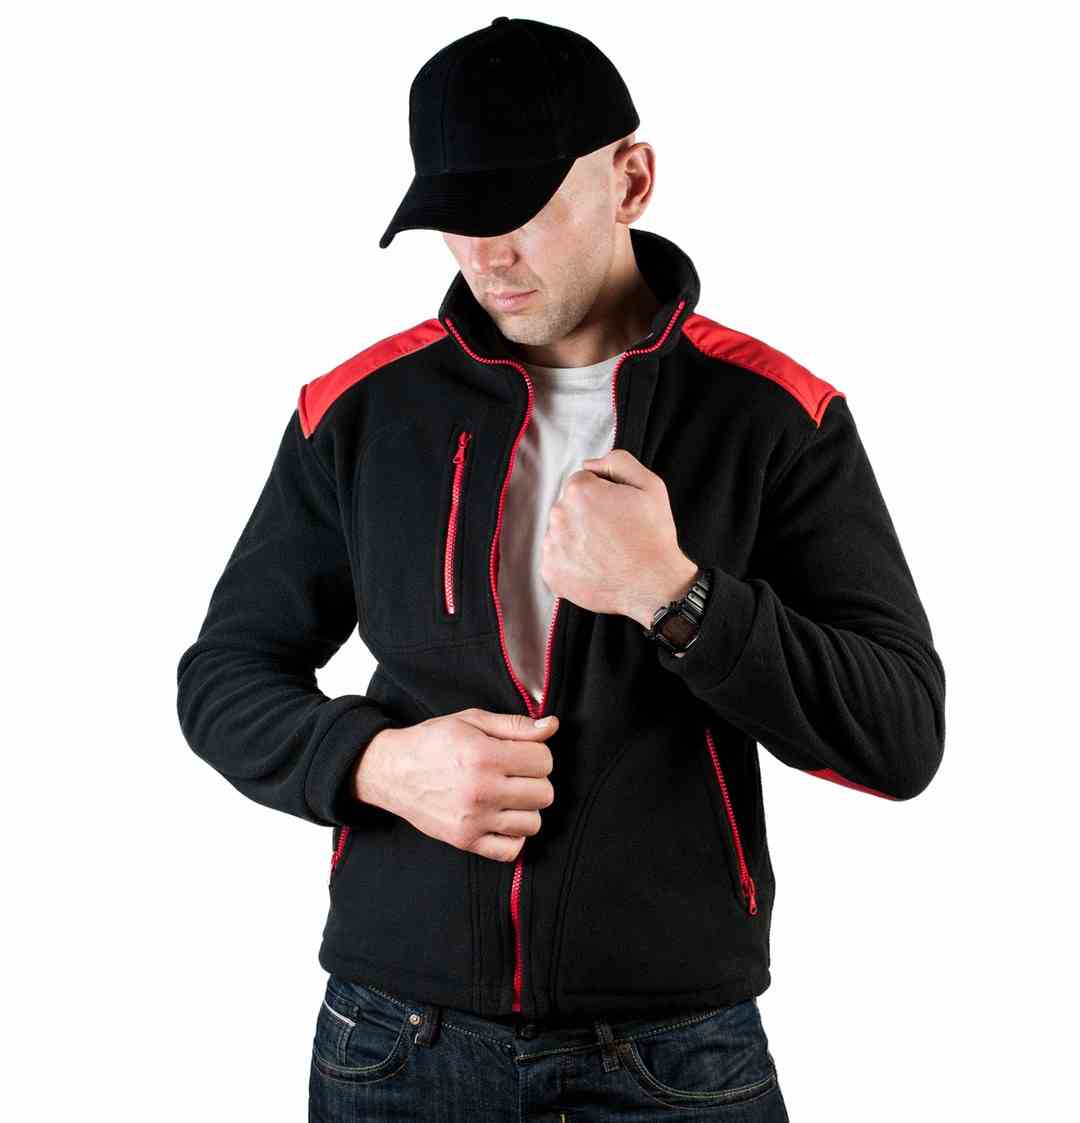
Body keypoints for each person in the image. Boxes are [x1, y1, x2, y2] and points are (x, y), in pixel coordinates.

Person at [176, 17, 945, 1122]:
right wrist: (378, 763)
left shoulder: (776, 415)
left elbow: (900, 734)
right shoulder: (358, 411)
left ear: (632, 179)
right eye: (456, 218)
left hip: (677, 1055)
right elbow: (223, 677)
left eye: (522, 208)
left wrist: (674, 596)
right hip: (392, 1043)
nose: (488, 255)